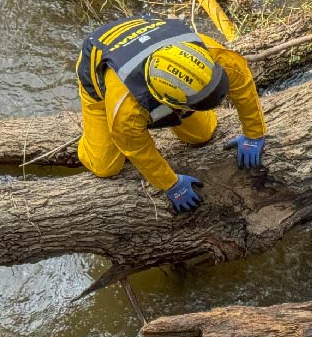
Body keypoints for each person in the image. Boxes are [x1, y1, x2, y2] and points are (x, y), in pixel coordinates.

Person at [75, 15, 267, 213]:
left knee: (203, 135)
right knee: (105, 167)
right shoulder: (125, 109)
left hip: (145, 32)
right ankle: (88, 138)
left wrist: (254, 134)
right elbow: (136, 149)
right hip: (98, 65)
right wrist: (170, 184)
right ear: (171, 102)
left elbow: (242, 83)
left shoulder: (213, 54)